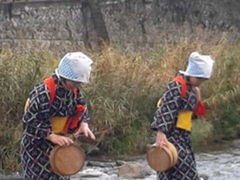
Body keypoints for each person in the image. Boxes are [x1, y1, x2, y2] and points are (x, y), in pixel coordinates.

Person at [20, 52, 96, 180]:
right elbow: (29, 121)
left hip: (59, 145)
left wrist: (84, 123)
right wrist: (50, 136)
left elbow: (81, 105)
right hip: (36, 146)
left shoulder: (74, 91)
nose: (77, 85)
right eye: (75, 82)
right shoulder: (43, 92)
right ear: (64, 77)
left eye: (79, 83)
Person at [151, 52, 214, 180]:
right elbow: (166, 108)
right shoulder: (177, 85)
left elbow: (193, 115)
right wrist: (161, 133)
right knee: (187, 174)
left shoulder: (192, 89)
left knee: (172, 174)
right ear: (191, 73)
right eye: (199, 78)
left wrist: (197, 97)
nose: (200, 82)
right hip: (172, 137)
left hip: (183, 138)